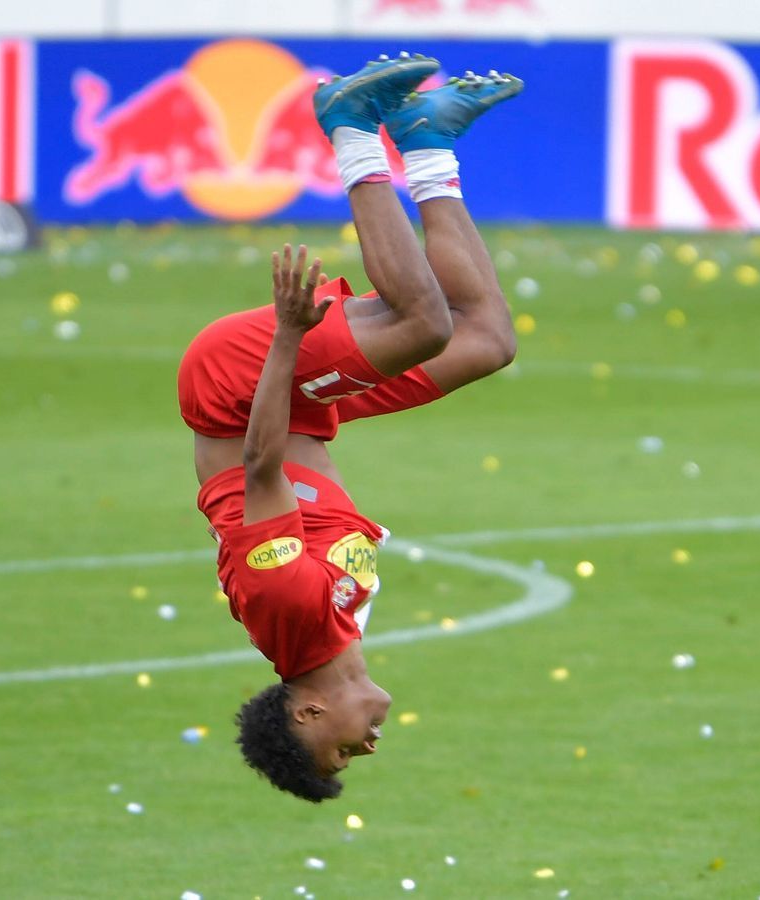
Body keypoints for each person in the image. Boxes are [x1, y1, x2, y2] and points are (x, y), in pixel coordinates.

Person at [176, 53, 523, 802]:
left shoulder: (289, 612)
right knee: (487, 340)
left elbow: (261, 465)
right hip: (308, 411)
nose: (367, 745)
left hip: (242, 390)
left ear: (307, 713)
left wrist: (289, 337)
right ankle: (428, 142)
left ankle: (348, 125)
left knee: (423, 322)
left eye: (340, 753)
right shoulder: (338, 630)